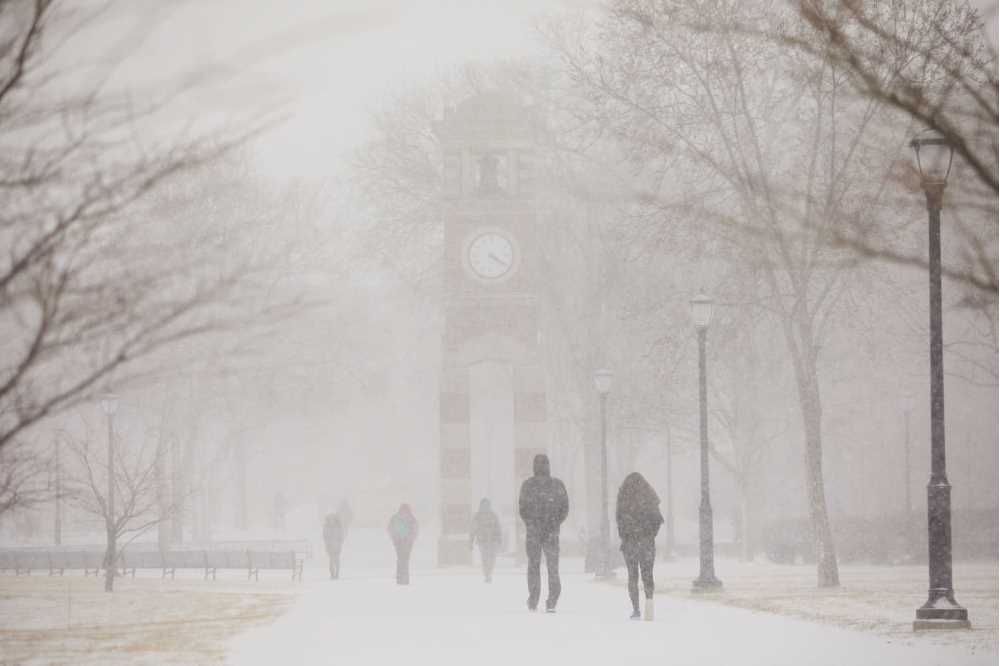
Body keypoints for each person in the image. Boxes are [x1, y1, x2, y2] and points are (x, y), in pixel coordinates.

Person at [518, 453, 569, 613]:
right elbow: (565, 508)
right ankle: (552, 599)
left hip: (533, 532)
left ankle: (533, 599)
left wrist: (531, 523)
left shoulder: (527, 485)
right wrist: (555, 523)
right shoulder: (557, 485)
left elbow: (522, 509)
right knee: (553, 567)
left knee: (533, 566)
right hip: (552, 532)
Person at [615, 472, 664, 621]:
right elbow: (657, 520)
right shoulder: (649, 497)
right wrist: (649, 535)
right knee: (648, 575)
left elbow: (619, 521)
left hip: (630, 543)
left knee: (632, 576)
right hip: (647, 542)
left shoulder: (624, 498)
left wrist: (626, 536)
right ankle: (649, 604)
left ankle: (636, 610)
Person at [470, 498, 503, 583]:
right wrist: (471, 540)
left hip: (490, 540)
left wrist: (499, 538)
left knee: (489, 558)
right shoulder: (479, 516)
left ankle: (488, 573)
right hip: (485, 540)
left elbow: (498, 527)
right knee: (487, 558)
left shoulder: (490, 515)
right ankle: (487, 574)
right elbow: (473, 529)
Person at [387, 503, 418, 585]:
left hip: (398, 542)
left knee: (400, 559)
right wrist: (410, 540)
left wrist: (394, 539)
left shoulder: (395, 518)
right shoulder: (411, 518)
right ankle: (405, 579)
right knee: (405, 560)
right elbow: (415, 530)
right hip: (407, 542)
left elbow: (390, 529)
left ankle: (400, 578)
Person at [323, 513, 345, 580]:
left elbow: (341, 537)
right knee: (333, 560)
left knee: (335, 560)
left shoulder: (337, 527)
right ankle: (333, 574)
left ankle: (336, 574)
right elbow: (325, 537)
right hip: (331, 546)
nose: (331, 520)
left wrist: (339, 542)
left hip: (335, 546)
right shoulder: (327, 527)